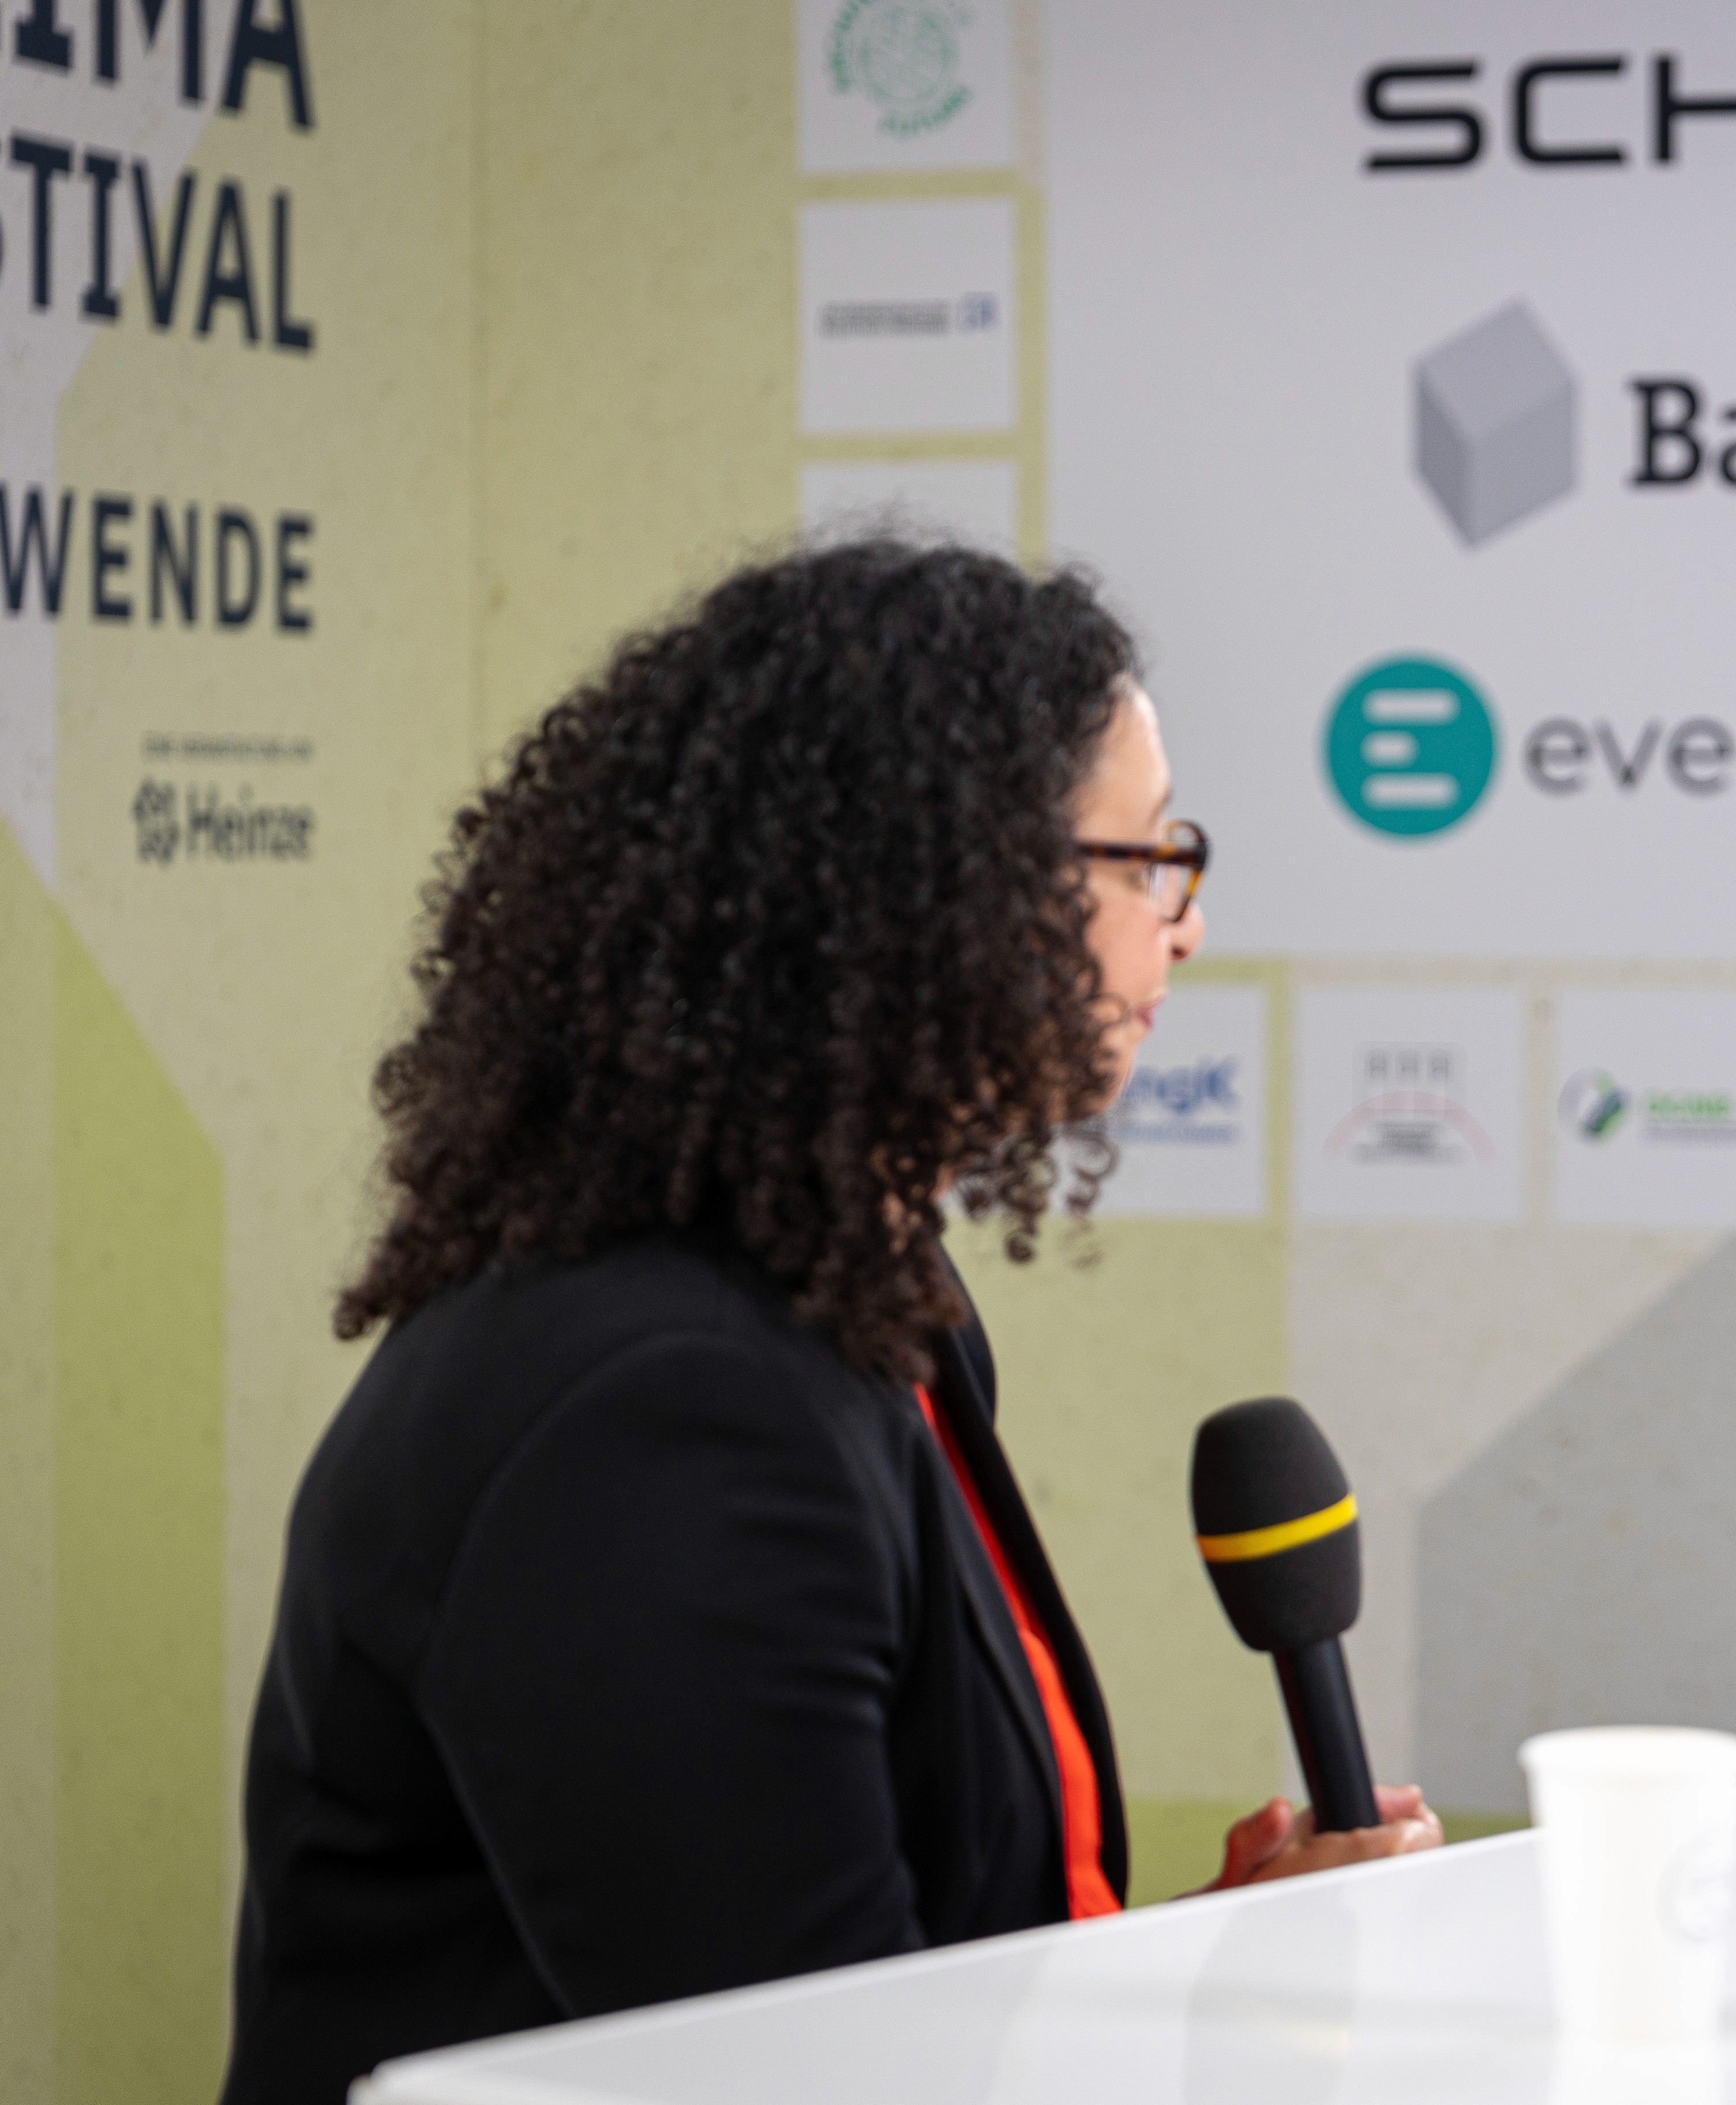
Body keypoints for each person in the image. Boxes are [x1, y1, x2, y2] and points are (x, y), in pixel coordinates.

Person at [222, 543, 1440, 2105]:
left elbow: (907, 1983)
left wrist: (1216, 1967)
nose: (1183, 927)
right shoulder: (660, 1416)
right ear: (943, 894)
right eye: (1145, 861)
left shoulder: (857, 1305)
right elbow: (813, 2079)